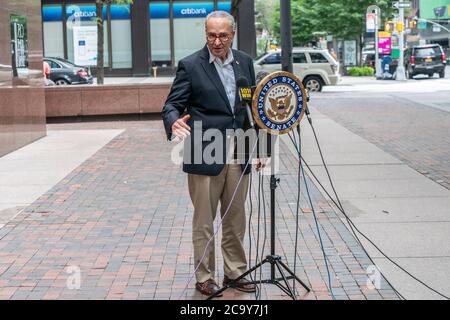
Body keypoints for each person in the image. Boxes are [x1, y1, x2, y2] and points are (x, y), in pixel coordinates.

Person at [161, 11, 263, 296]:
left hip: (239, 149)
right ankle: (204, 276)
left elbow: (251, 109)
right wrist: (173, 121)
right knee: (204, 220)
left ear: (232, 34)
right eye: (211, 35)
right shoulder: (191, 65)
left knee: (235, 218)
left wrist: (261, 147)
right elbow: (171, 105)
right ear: (205, 34)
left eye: (222, 36)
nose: (216, 41)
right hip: (204, 148)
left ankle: (235, 272)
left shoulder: (245, 62)